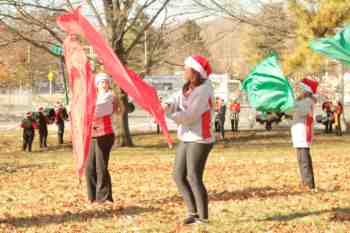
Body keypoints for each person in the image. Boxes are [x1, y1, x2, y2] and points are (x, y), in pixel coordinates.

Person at [163, 55, 215, 225]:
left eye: (186, 68)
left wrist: (169, 114)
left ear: (196, 71)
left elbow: (189, 116)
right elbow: (175, 97)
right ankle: (192, 213)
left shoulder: (204, 90)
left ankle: (203, 217)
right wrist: (166, 103)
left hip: (200, 138)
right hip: (186, 136)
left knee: (193, 176)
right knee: (178, 175)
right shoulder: (188, 86)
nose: (184, 71)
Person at [85, 72, 119, 204]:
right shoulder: (92, 97)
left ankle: (104, 198)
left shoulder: (109, 97)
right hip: (92, 137)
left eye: (106, 82)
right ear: (96, 85)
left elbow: (98, 111)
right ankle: (92, 197)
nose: (104, 85)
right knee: (89, 168)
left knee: (101, 166)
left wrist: (84, 109)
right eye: (101, 82)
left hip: (105, 136)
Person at [291, 78, 318, 191]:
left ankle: (309, 185)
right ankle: (306, 183)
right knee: (302, 160)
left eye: (300, 89)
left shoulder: (307, 101)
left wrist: (294, 103)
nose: (298, 91)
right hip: (299, 133)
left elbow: (302, 111)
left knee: (304, 161)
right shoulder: (303, 100)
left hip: (303, 133)